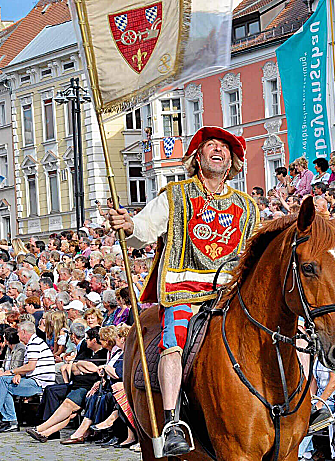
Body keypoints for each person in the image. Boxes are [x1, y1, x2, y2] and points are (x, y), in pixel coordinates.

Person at [107, 125, 259, 456]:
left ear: (232, 161)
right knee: (173, 346)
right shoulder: (175, 195)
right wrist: (128, 225)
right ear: (197, 157)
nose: (219, 151)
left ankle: (299, 405)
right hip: (184, 291)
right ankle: (173, 420)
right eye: (211, 146)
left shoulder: (246, 205)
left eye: (225, 147)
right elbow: (145, 229)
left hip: (230, 293)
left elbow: (253, 251)